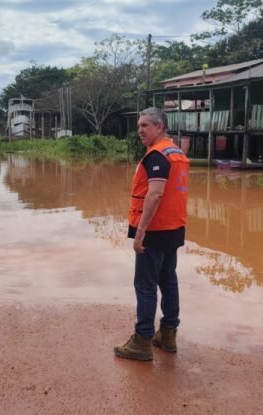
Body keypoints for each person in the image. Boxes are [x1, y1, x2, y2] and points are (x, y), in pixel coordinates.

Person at [114, 107, 189, 361]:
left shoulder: (157, 155)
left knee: (145, 284)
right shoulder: (176, 153)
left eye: (145, 125)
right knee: (168, 280)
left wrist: (141, 231)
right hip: (173, 228)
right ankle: (168, 335)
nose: (140, 131)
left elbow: (155, 194)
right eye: (138, 126)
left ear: (160, 127)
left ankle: (142, 340)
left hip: (154, 230)